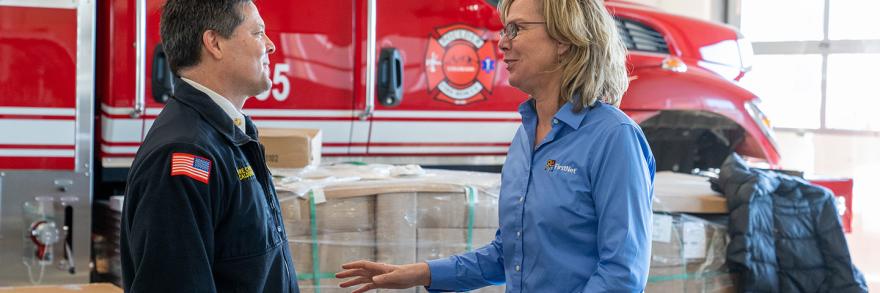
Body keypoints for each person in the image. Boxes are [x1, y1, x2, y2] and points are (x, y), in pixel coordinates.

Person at [336, 0, 655, 291]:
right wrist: (421, 273)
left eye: (516, 29)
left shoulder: (614, 137)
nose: (502, 42)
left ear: (564, 39)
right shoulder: (525, 137)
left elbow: (622, 275)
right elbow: (509, 255)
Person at [120, 1, 299, 292]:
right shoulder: (185, 154)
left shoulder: (226, 136)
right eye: (257, 33)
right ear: (214, 43)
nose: (270, 46)